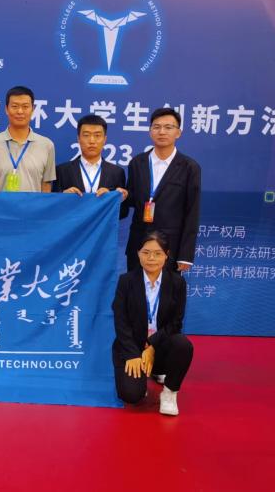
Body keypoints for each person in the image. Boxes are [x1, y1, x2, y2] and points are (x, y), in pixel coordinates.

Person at [111, 231, 194, 416]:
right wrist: (133, 354)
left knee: (183, 345)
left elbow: (176, 323)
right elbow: (120, 321)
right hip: (133, 346)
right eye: (146, 252)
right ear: (138, 253)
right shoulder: (126, 281)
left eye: (157, 253)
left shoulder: (177, 283)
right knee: (131, 395)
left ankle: (170, 392)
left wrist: (152, 346)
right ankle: (141, 378)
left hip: (161, 345)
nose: (151, 258)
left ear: (166, 255)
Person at [124, 108, 201, 273]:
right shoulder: (137, 163)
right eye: (157, 127)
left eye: (168, 127)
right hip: (139, 246)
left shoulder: (189, 167)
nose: (162, 132)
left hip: (170, 248)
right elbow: (132, 199)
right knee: (135, 287)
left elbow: (192, 212)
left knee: (167, 289)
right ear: (150, 131)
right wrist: (121, 195)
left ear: (178, 133)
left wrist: (185, 255)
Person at [0, 86, 56, 193]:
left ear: (33, 109)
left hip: (33, 204)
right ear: (6, 109)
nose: (20, 111)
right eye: (15, 106)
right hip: (1, 204)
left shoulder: (47, 145)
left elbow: (46, 184)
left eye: (25, 106)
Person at [52, 115, 129, 209]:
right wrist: (63, 197)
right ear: (78, 139)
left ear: (105, 139)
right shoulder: (62, 171)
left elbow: (123, 212)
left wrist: (114, 199)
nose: (92, 141)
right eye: (86, 135)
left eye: (97, 135)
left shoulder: (117, 172)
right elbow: (53, 207)